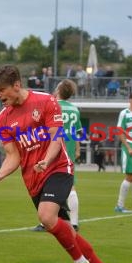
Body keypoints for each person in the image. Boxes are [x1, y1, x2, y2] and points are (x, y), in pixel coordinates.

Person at [0, 65, 118, 263]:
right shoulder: (3, 118)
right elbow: (13, 155)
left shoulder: (46, 102)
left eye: (1, 90)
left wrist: (46, 160)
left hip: (58, 168)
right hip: (33, 178)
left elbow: (57, 138)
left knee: (45, 217)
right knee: (67, 232)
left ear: (16, 85)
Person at [32, 79, 82, 232]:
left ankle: (45, 221)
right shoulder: (74, 110)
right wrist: (77, 150)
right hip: (70, 149)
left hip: (53, 149)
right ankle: (74, 222)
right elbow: (76, 133)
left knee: (46, 183)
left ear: (59, 90)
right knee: (70, 185)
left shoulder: (52, 105)